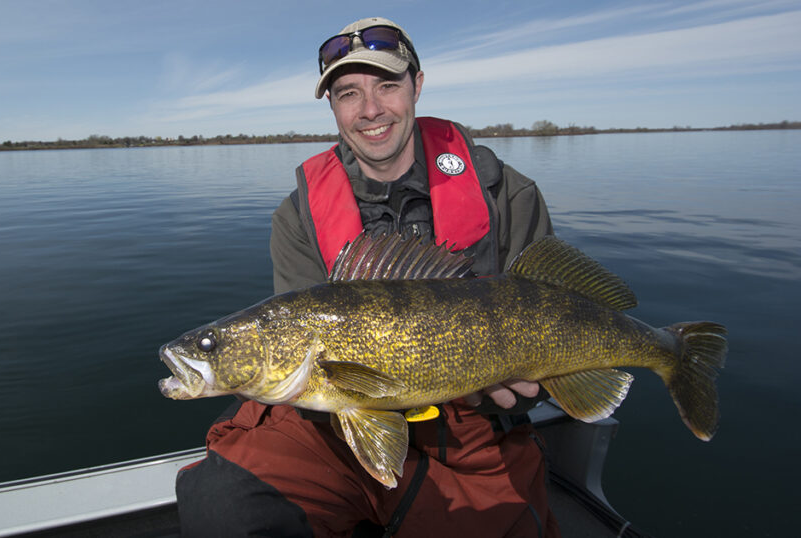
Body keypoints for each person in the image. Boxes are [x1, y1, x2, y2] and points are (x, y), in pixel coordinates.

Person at [176, 17, 559, 537]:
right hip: (329, 431)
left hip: (475, 431)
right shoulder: (298, 217)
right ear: (332, 107)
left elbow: (557, 317)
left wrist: (528, 386)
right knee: (225, 504)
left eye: (387, 85)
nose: (370, 109)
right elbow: (308, 376)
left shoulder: (506, 195)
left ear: (417, 85)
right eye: (347, 93)